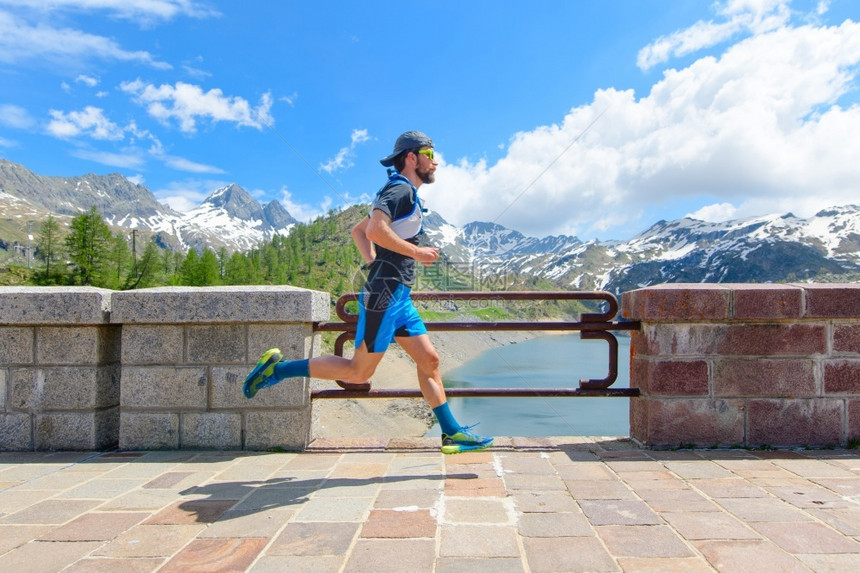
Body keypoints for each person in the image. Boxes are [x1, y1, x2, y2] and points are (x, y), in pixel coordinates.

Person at [243, 131, 493, 454]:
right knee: (358, 371)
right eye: (429, 153)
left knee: (429, 359)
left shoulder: (407, 195)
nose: (436, 160)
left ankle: (451, 433)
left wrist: (374, 260)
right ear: (411, 157)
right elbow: (374, 229)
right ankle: (277, 370)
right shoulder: (399, 188)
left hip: (398, 298)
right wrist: (415, 254)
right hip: (385, 296)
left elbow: (359, 231)